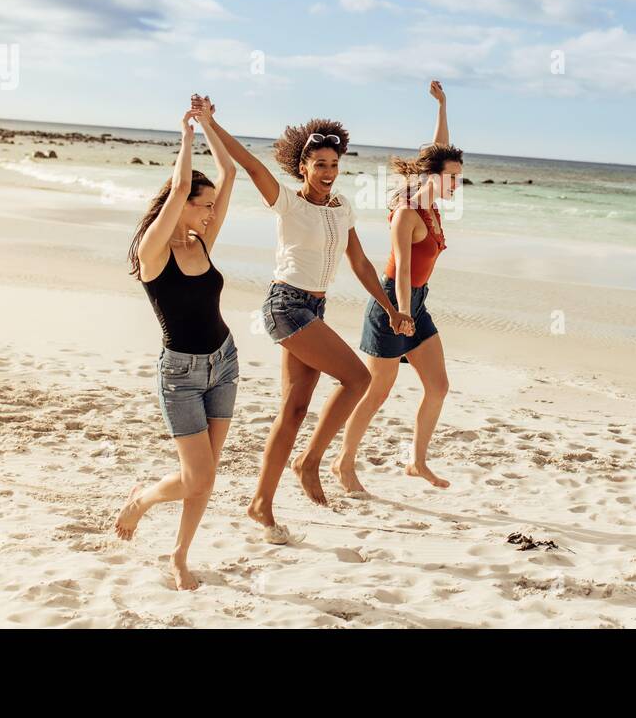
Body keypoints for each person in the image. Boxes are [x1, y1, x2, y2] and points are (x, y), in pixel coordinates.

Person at [194, 98, 414, 543]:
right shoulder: (288, 204)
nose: (328, 170)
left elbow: (360, 262)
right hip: (286, 305)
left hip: (315, 308)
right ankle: (309, 462)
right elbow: (253, 168)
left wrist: (392, 308)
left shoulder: (341, 207)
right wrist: (211, 124)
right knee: (356, 378)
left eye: (334, 163)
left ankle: (261, 503)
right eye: (319, 163)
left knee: (293, 410)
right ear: (303, 165)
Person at [113, 96, 238, 590]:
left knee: (205, 476)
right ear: (179, 205)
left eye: (210, 209)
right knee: (198, 477)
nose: (210, 214)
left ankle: (180, 554)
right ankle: (142, 499)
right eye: (202, 207)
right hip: (181, 377)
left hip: (224, 364)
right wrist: (185, 134)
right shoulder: (152, 252)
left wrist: (210, 123)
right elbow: (184, 183)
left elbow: (228, 175)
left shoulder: (201, 241)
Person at [335, 80, 464, 494]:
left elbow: (439, 149)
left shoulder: (432, 200)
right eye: (453, 178)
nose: (457, 184)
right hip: (392, 304)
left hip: (417, 304)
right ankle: (343, 463)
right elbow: (403, 271)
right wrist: (402, 314)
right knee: (376, 393)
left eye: (460, 177)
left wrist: (443, 106)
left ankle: (417, 462)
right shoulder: (407, 214)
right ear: (432, 177)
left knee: (438, 387)